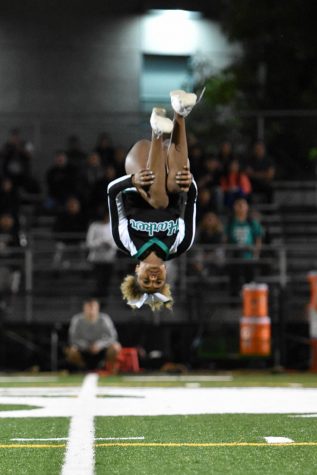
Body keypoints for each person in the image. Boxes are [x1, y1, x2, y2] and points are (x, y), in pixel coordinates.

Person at [107, 90, 198, 311]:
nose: (153, 278)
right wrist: (191, 180)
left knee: (158, 200)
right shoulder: (182, 243)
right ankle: (179, 112)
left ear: (137, 272)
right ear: (166, 275)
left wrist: (131, 180)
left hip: (140, 165)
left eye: (146, 281)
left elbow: (111, 192)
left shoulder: (125, 241)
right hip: (170, 171)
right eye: (158, 282)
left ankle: (157, 131)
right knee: (178, 184)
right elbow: (191, 198)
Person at [65, 297, 121, 371]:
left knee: (116, 347)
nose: (91, 310)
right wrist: (86, 345)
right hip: (83, 350)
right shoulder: (77, 319)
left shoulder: (104, 319)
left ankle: (110, 370)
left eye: (93, 307)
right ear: (84, 308)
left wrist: (99, 345)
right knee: (71, 351)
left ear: (97, 308)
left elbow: (113, 337)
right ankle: (82, 369)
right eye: (88, 307)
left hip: (101, 350)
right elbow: (73, 338)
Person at [225, 197, 263, 297]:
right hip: (235, 256)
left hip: (248, 256)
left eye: (243, 204)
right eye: (238, 204)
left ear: (247, 207)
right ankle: (234, 300)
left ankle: (249, 299)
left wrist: (256, 253)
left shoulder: (251, 222)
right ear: (234, 207)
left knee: (249, 279)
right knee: (234, 278)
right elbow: (225, 238)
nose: (241, 207)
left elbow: (258, 238)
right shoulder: (230, 222)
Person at [86, 207, 117, 297]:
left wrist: (111, 245)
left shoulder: (114, 226)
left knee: (106, 281)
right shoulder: (94, 226)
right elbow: (89, 243)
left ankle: (104, 298)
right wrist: (100, 243)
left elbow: (118, 243)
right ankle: (96, 298)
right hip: (96, 259)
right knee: (97, 281)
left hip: (109, 259)